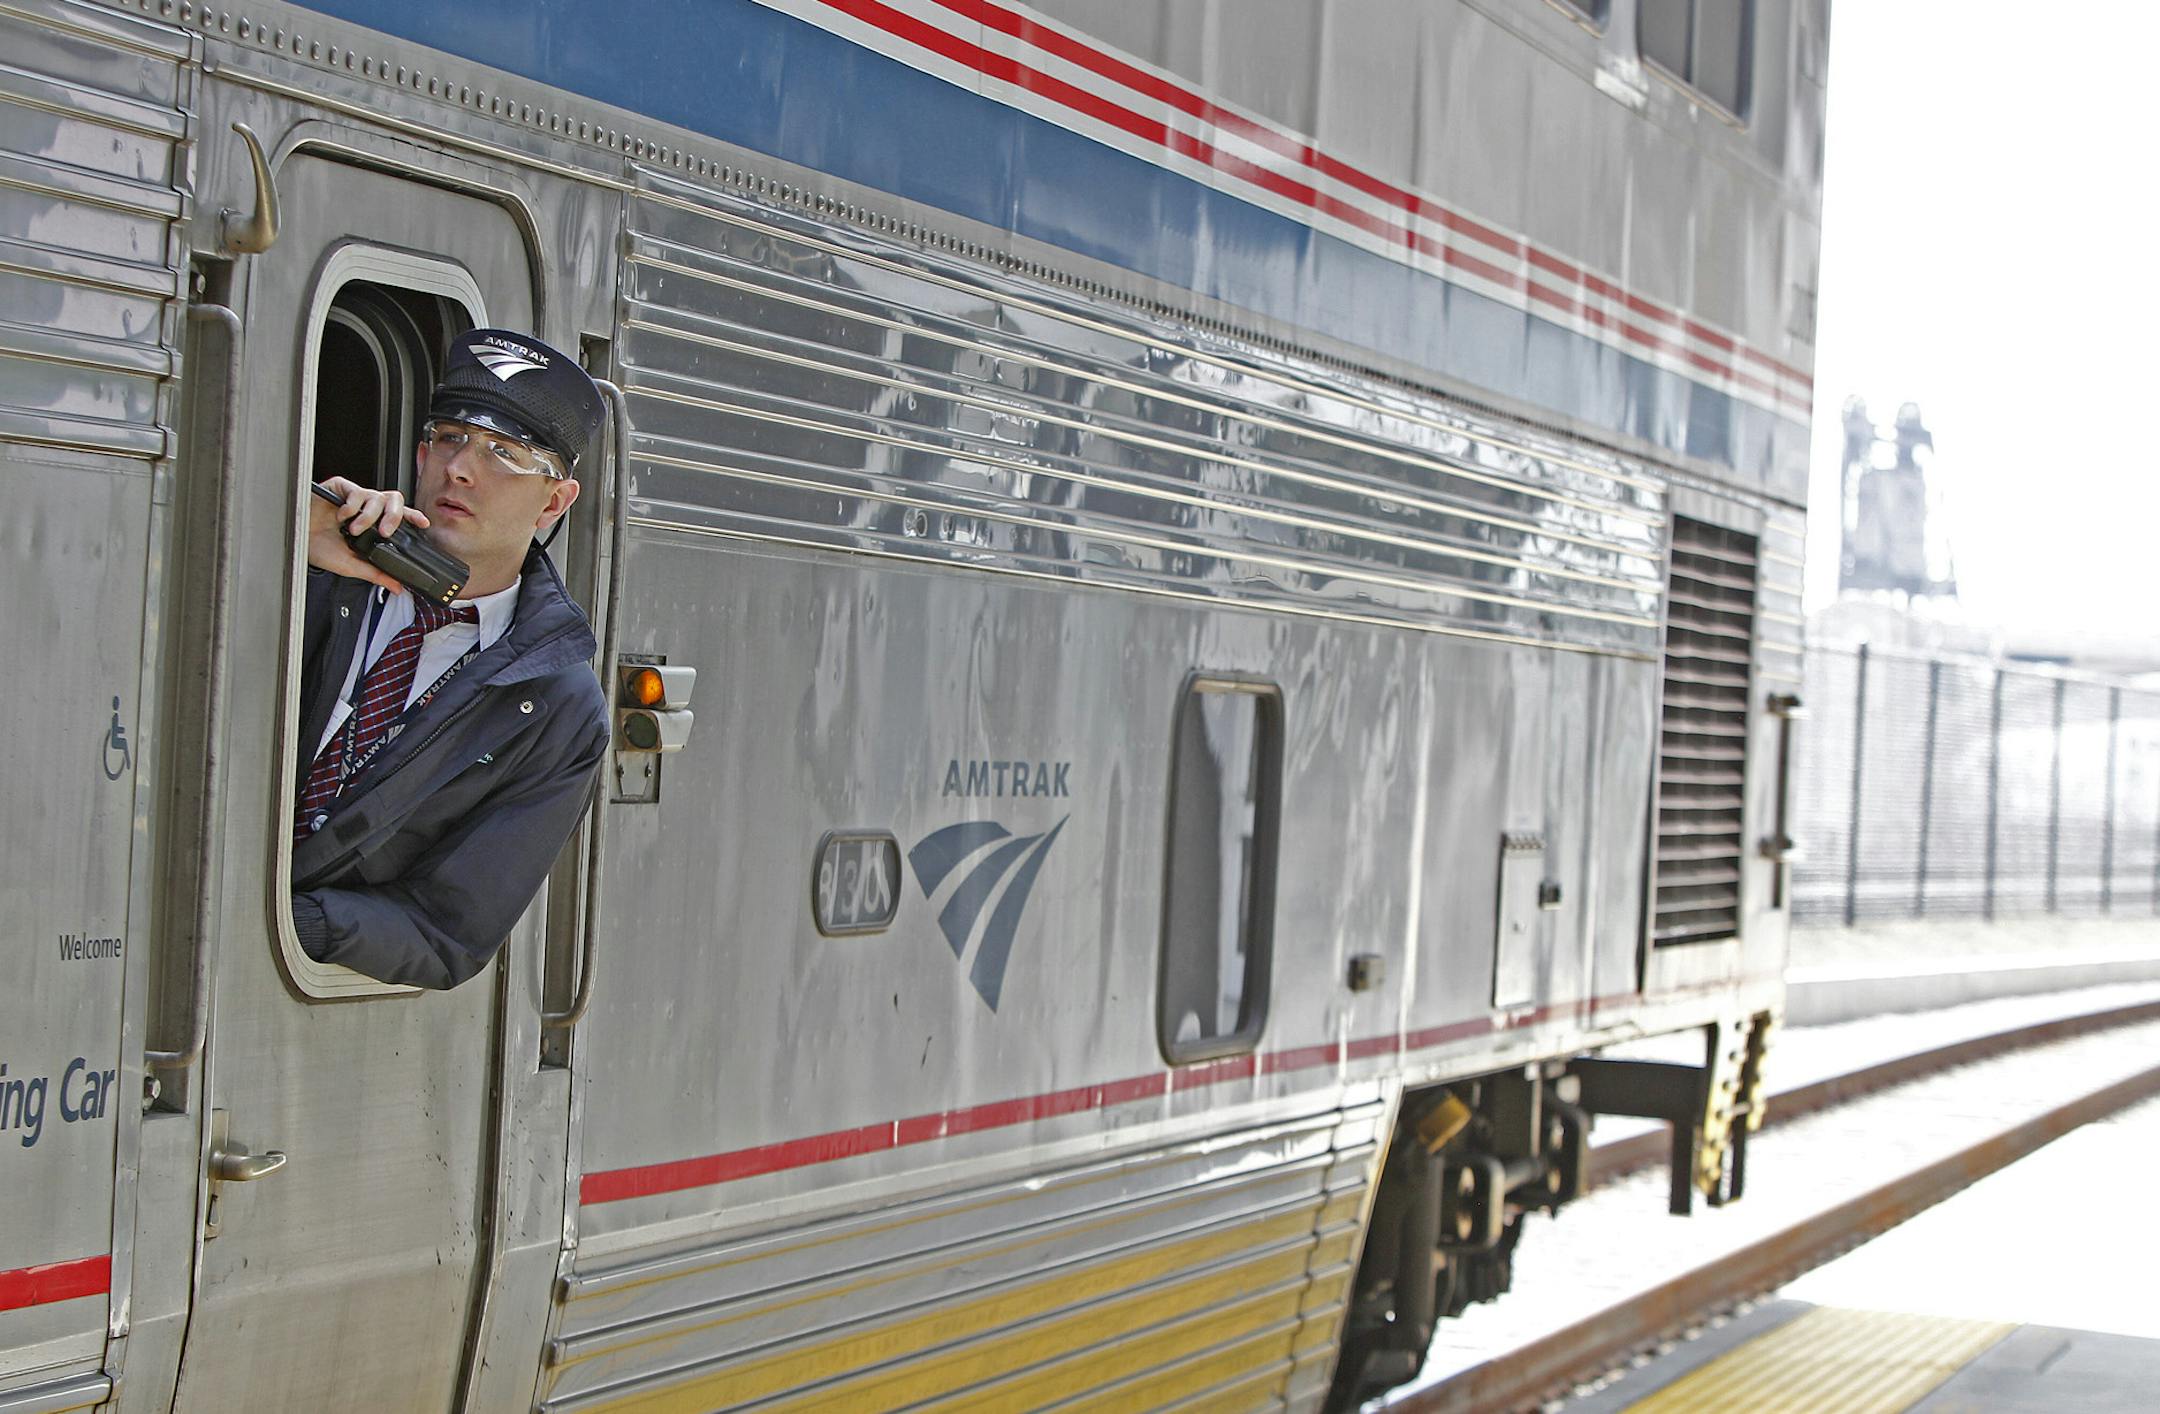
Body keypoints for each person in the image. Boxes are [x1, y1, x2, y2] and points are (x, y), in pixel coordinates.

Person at [289, 328, 610, 989]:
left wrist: (284, 924)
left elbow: (447, 933)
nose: (460, 467)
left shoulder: (559, 707)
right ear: (420, 454)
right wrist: (286, 533)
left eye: (504, 453)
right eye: (450, 437)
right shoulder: (313, 569)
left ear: (554, 501)